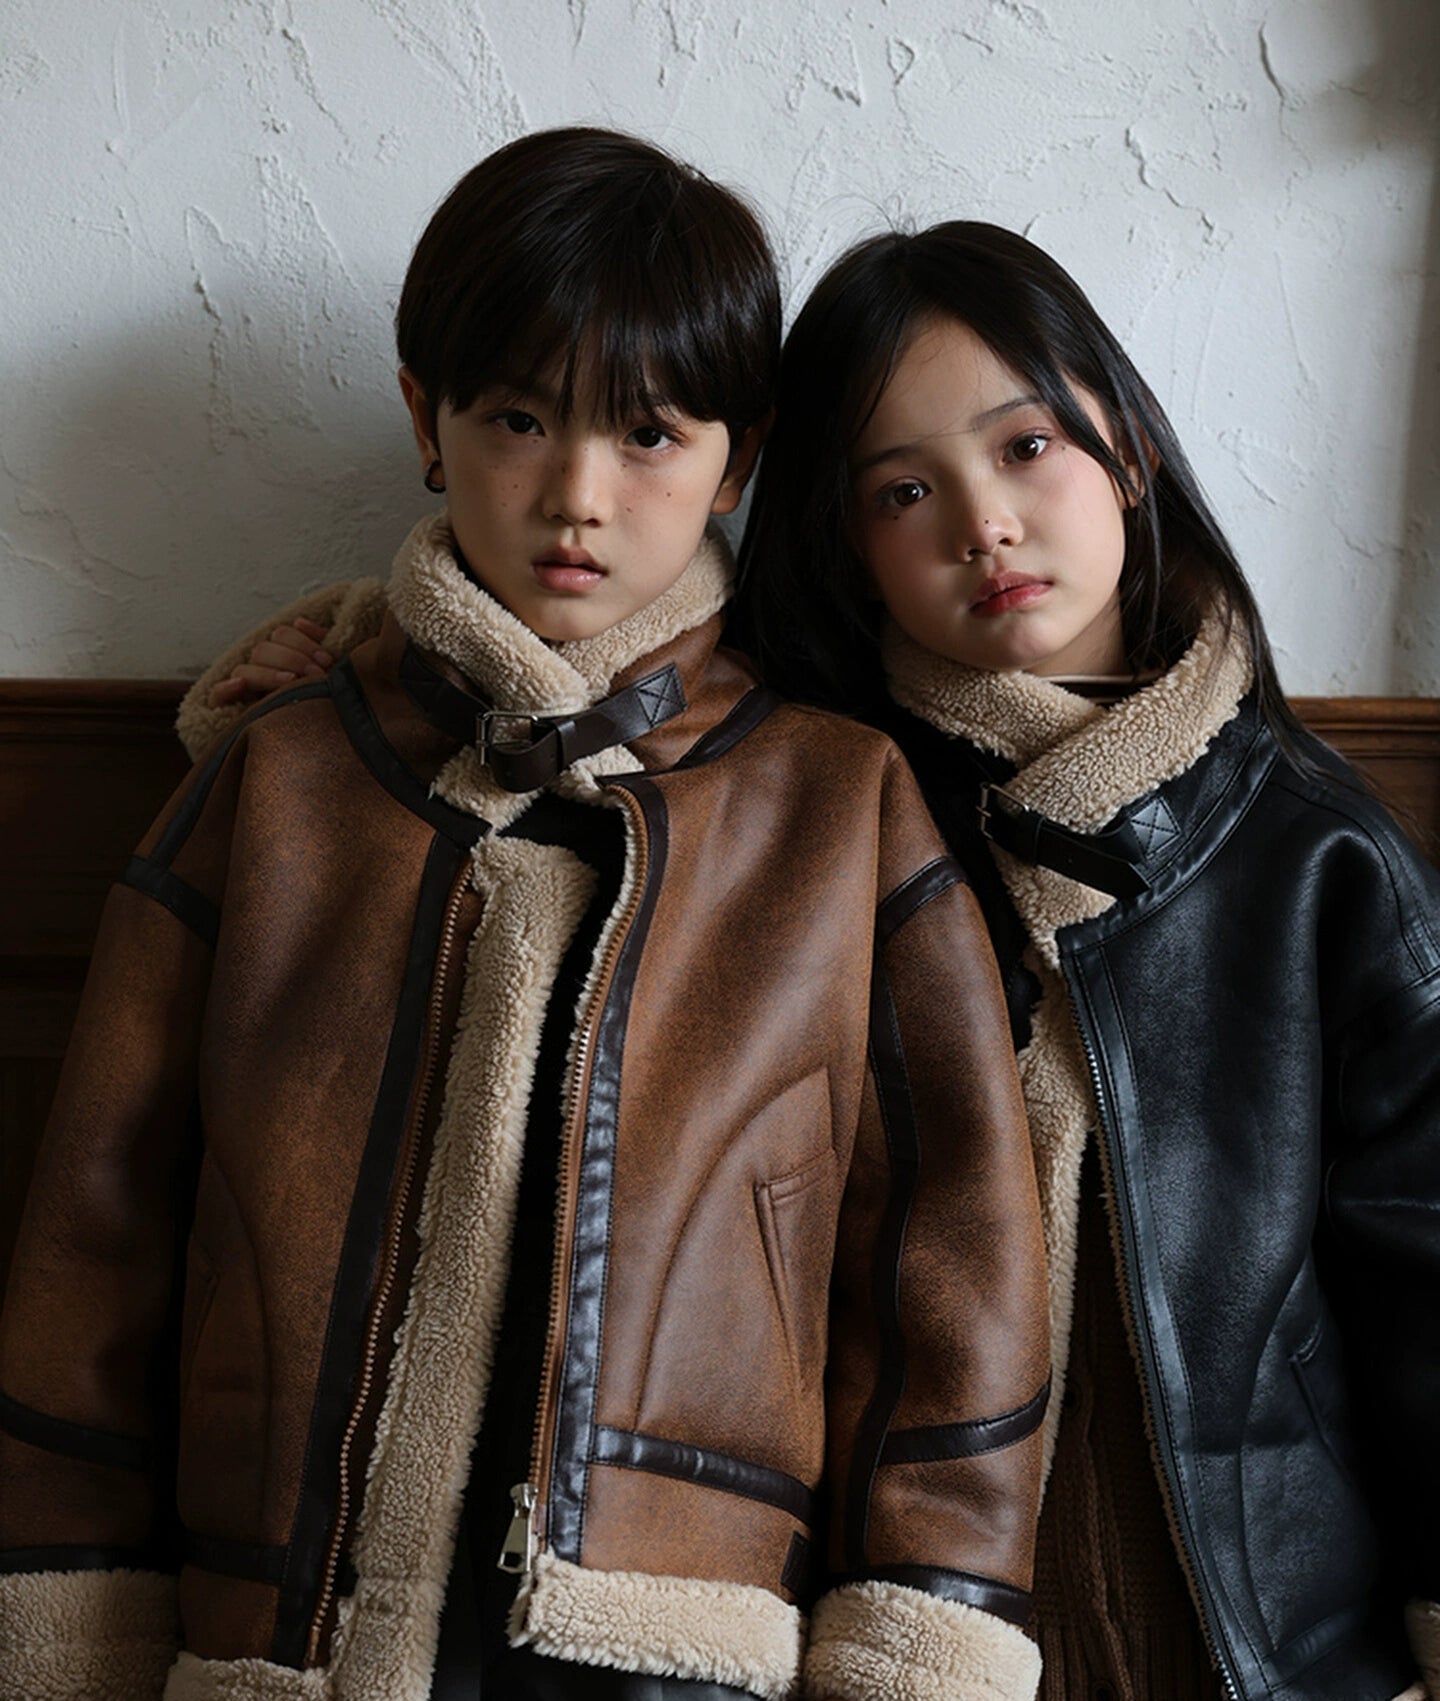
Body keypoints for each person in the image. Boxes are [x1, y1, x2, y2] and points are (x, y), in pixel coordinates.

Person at [0, 139, 1053, 1701]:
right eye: (516, 417)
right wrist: (73, 1621)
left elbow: (956, 1273)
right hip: (287, 1639)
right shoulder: (280, 781)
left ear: (738, 457)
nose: (576, 494)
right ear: (427, 419)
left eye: (648, 432)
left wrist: (917, 1638)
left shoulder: (837, 805)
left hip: (679, 1655)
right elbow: (99, 1233)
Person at [729, 220, 1440, 1701]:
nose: (982, 522)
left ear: (1124, 447)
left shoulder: (1316, 855)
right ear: (846, 547)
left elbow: (1426, 1275)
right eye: (903, 490)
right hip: (931, 1629)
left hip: (1266, 1635)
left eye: (1027, 444)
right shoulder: (833, 817)